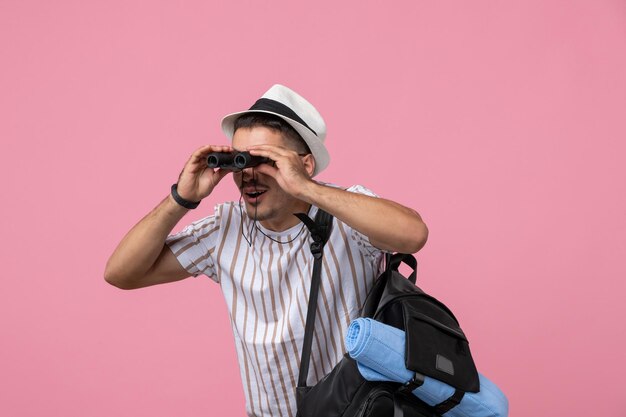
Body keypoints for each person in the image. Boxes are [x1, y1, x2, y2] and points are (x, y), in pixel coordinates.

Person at [104, 84, 429, 417]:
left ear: (305, 164)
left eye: (265, 160)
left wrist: (305, 187)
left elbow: (413, 234)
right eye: (239, 160)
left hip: (355, 411)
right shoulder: (225, 227)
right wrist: (182, 198)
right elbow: (121, 273)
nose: (248, 174)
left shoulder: (346, 214)